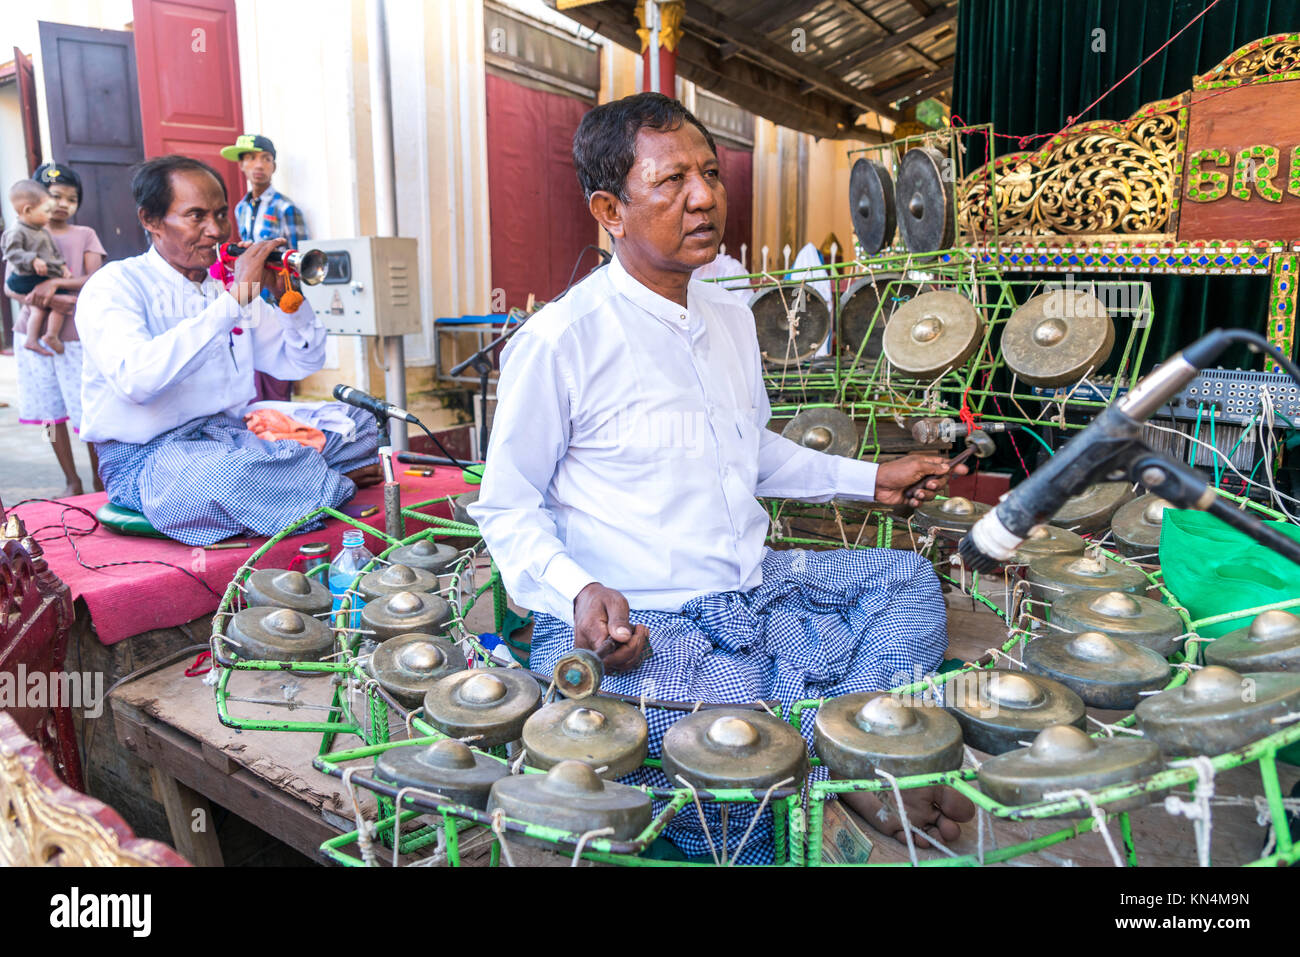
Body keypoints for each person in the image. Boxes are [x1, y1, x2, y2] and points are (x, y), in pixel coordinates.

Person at [470, 93, 975, 862]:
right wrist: (578, 589)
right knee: (733, 751)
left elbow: (752, 449)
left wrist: (870, 475)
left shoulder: (733, 317)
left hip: (756, 585)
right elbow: (508, 508)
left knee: (905, 580)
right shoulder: (559, 342)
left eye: (710, 173)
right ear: (610, 208)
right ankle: (865, 753)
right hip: (643, 623)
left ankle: (850, 741)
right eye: (671, 182)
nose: (705, 196)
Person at [76, 155, 380, 546]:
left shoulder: (227, 288)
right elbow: (138, 381)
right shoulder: (115, 285)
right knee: (230, 477)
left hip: (233, 437)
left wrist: (287, 297)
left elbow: (302, 361)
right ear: (150, 220)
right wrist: (234, 301)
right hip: (150, 458)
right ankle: (325, 481)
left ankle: (300, 480)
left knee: (362, 423)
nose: (216, 231)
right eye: (196, 216)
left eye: (221, 215)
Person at [2, 163, 106, 495]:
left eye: (70, 198)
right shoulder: (23, 233)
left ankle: (98, 478)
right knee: (49, 415)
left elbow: (95, 278)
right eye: (54, 197)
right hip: (31, 337)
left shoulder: (85, 234)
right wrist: (47, 299)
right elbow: (10, 287)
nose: (62, 204)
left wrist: (58, 286)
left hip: (75, 339)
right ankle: (70, 479)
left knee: (87, 410)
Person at [221, 133, 308, 404]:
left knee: (278, 377)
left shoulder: (286, 208)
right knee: (253, 370)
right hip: (251, 300)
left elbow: (299, 261)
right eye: (251, 158)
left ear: (274, 166)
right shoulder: (240, 208)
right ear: (242, 166)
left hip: (275, 300)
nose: (258, 165)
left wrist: (289, 303)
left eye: (266, 159)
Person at [3, 179, 69, 355]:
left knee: (49, 304)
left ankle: (46, 336)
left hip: (42, 276)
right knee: (49, 304)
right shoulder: (16, 231)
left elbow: (53, 253)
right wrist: (32, 260)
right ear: (27, 210)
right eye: (47, 211)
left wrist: (62, 267)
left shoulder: (42, 230)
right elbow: (11, 253)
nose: (50, 216)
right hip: (24, 278)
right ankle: (45, 337)